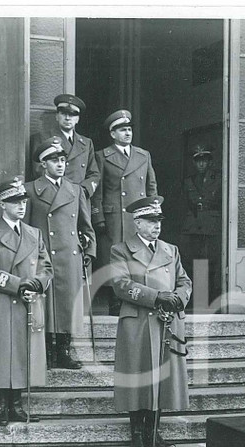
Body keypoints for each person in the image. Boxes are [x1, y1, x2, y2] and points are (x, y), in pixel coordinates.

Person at [111, 196, 192, 447]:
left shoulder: (171, 250)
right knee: (137, 375)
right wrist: (156, 296)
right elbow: (121, 285)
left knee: (161, 378)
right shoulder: (121, 250)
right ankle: (136, 432)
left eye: (158, 220)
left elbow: (184, 281)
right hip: (138, 321)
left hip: (166, 321)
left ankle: (154, 431)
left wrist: (177, 298)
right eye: (150, 220)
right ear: (137, 223)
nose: (156, 225)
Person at [0, 177, 53, 426]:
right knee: (1, 354)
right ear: (2, 204)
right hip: (2, 300)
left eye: (23, 201)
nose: (21, 206)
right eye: (14, 201)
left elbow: (46, 267)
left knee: (21, 352)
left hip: (29, 300)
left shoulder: (34, 233)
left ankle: (16, 405)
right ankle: (1, 406)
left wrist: (37, 285)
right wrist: (20, 285)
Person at [24, 137, 96, 369]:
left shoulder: (75, 190)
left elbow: (86, 225)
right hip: (43, 256)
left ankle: (63, 350)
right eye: (54, 160)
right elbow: (24, 228)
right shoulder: (31, 190)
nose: (60, 164)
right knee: (45, 305)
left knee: (67, 305)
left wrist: (90, 250)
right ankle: (45, 351)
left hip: (70, 256)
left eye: (63, 160)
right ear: (43, 164)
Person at [91, 109, 158, 315]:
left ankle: (138, 298)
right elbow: (97, 191)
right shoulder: (102, 156)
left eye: (129, 129)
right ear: (113, 134)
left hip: (138, 216)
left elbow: (151, 186)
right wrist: (98, 216)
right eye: (122, 130)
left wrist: (153, 213)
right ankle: (115, 301)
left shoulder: (143, 155)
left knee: (138, 256)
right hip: (115, 218)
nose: (127, 133)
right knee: (117, 258)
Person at [37, 93, 100, 201]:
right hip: (54, 198)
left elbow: (94, 174)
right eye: (64, 113)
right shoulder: (43, 139)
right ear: (57, 116)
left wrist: (83, 190)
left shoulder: (86, 143)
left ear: (77, 119)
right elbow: (38, 170)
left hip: (79, 199)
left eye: (72, 115)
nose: (67, 118)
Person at [182, 144, 222, 304]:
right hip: (193, 226)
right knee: (195, 262)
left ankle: (211, 299)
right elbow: (184, 202)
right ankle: (199, 300)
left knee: (212, 262)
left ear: (209, 162)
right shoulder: (189, 181)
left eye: (204, 161)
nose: (201, 164)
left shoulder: (218, 178)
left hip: (212, 226)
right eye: (198, 161)